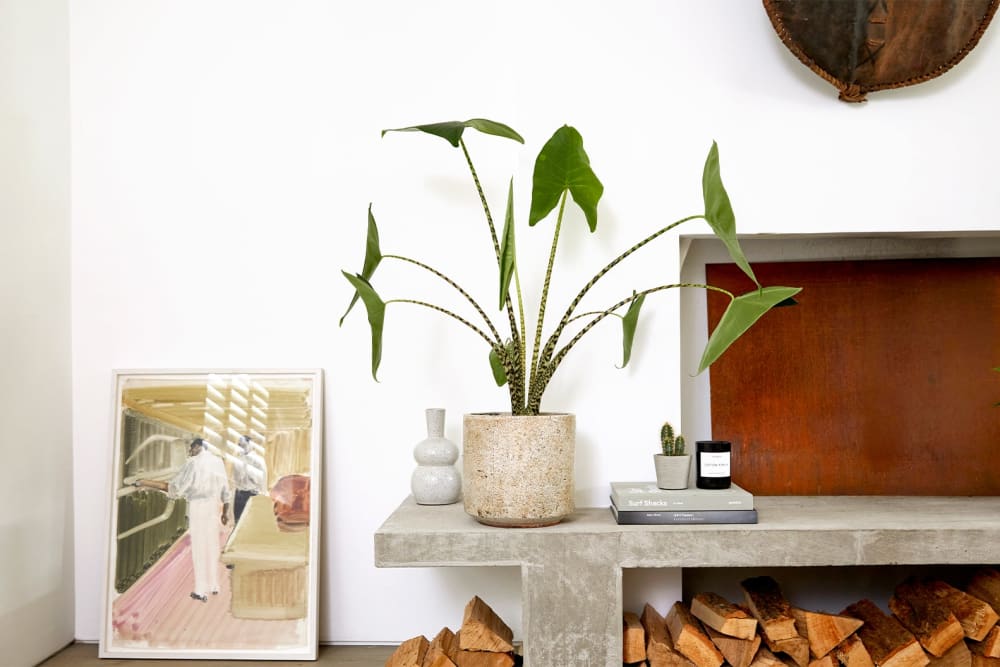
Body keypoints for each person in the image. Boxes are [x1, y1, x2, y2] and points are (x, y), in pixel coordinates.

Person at [135, 437, 231, 602]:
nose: (189, 452)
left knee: (199, 547)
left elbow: (174, 488)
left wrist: (145, 482)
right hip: (213, 507)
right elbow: (226, 492)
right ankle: (214, 585)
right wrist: (225, 512)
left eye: (191, 448)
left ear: (198, 446)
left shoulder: (192, 464)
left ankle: (201, 591)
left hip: (198, 507)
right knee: (212, 545)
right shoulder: (218, 462)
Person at [231, 434, 267, 524]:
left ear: (250, 444)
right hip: (239, 494)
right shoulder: (236, 460)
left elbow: (262, 479)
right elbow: (235, 479)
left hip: (252, 494)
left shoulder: (258, 460)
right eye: (239, 445)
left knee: (252, 522)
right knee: (238, 521)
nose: (241, 447)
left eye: (243, 445)